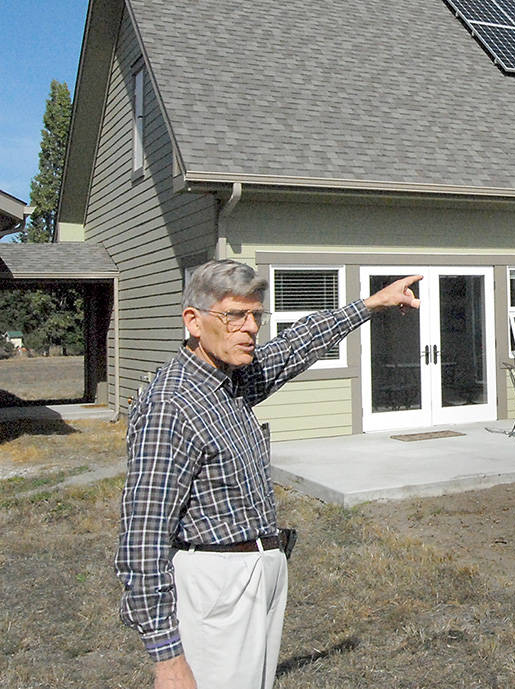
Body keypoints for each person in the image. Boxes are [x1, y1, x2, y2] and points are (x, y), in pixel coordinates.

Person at [115, 259, 420, 689]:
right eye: (234, 315)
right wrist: (167, 658)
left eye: (256, 315)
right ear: (194, 322)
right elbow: (143, 536)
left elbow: (297, 344)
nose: (251, 327)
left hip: (259, 573)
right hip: (217, 584)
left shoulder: (232, 380)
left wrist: (372, 304)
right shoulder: (172, 404)